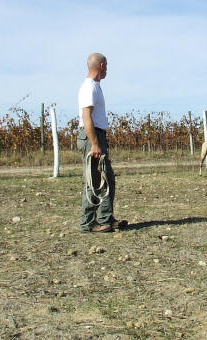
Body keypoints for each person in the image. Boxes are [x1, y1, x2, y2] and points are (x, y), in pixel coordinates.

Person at [77, 53, 127, 233]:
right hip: (92, 137)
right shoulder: (89, 87)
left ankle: (106, 217)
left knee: (107, 179)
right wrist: (95, 143)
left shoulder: (95, 87)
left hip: (97, 135)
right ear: (102, 65)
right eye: (107, 66)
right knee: (94, 180)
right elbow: (86, 116)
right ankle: (88, 223)